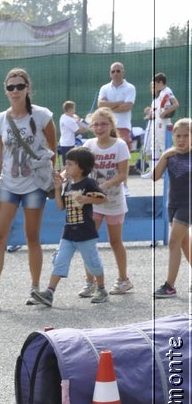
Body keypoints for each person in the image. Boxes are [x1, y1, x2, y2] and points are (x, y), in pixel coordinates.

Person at [0, 68, 56, 309]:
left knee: (32, 236)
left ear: (28, 88)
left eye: (20, 86)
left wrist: (50, 177)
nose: (15, 91)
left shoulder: (42, 116)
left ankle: (35, 288)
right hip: (9, 183)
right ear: (5, 90)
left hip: (34, 184)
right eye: (11, 87)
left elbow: (53, 148)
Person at [30, 147, 108, 307]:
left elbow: (102, 198)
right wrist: (58, 188)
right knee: (60, 261)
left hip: (86, 232)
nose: (67, 167)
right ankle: (49, 292)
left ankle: (101, 288)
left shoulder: (88, 183)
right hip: (69, 232)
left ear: (82, 167)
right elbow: (60, 207)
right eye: (67, 164)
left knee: (93, 263)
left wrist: (87, 199)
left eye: (70, 164)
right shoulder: (69, 185)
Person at [80, 107, 133, 295]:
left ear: (112, 125)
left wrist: (104, 185)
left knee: (115, 241)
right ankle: (90, 281)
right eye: (96, 124)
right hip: (93, 202)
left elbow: (122, 175)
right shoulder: (88, 145)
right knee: (87, 241)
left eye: (104, 124)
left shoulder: (119, 145)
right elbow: (78, 167)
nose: (99, 128)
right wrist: (63, 176)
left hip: (114, 202)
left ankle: (123, 279)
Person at [152, 117, 191, 299]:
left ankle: (169, 286)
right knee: (183, 243)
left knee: (174, 241)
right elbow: (154, 176)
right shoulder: (170, 155)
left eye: (186, 135)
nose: (182, 140)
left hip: (188, 204)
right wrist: (164, 156)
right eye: (178, 136)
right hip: (173, 203)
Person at [142, 73, 179, 167]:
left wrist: (164, 113)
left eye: (155, 84)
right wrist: (150, 113)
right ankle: (154, 170)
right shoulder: (160, 94)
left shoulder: (167, 91)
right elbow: (158, 110)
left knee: (164, 146)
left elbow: (176, 104)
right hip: (157, 123)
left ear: (161, 82)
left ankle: (170, 169)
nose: (154, 86)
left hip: (163, 123)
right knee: (154, 145)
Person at [97, 62, 136, 149]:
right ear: (110, 74)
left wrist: (108, 108)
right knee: (107, 152)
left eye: (118, 71)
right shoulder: (104, 88)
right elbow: (100, 105)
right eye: (113, 71)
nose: (115, 73)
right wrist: (119, 103)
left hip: (123, 126)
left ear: (123, 72)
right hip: (107, 126)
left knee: (123, 154)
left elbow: (127, 107)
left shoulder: (130, 88)